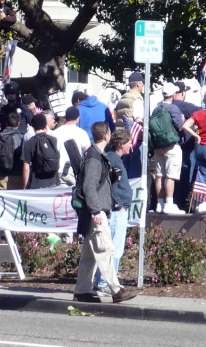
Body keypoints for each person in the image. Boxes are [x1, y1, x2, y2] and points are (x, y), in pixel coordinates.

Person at [73, 121, 136, 304]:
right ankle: (116, 290)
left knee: (89, 254)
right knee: (105, 249)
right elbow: (89, 186)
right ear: (107, 135)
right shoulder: (94, 157)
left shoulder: (96, 155)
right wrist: (96, 210)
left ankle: (82, 291)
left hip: (94, 211)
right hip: (96, 212)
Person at [93, 128, 134, 296]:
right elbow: (110, 186)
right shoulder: (113, 160)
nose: (131, 146)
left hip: (117, 210)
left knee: (111, 249)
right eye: (129, 143)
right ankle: (105, 283)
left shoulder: (114, 159)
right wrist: (118, 203)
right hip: (116, 211)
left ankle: (101, 282)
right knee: (114, 250)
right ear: (122, 144)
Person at [151, 83, 185, 214]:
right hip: (171, 145)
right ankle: (169, 204)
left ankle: (159, 204)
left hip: (158, 145)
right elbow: (180, 126)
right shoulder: (173, 108)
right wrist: (182, 119)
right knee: (171, 175)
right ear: (173, 95)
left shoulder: (156, 108)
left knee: (160, 175)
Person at [172, 81, 201, 208]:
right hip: (187, 148)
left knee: (170, 175)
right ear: (183, 93)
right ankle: (181, 203)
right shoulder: (189, 107)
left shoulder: (163, 106)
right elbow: (204, 113)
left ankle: (170, 201)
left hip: (169, 147)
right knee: (185, 175)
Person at [50, 106, 90, 186]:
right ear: (77, 118)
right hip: (74, 171)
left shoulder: (54, 133)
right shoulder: (81, 133)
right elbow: (88, 151)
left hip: (58, 171)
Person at [21, 114, 59, 189]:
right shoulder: (53, 140)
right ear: (45, 124)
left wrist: (25, 187)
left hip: (37, 183)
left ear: (33, 126)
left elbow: (26, 167)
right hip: (53, 181)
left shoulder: (29, 143)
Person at [0, 112, 26, 190]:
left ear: (7, 124)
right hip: (18, 175)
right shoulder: (22, 138)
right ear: (18, 124)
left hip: (1, 176)